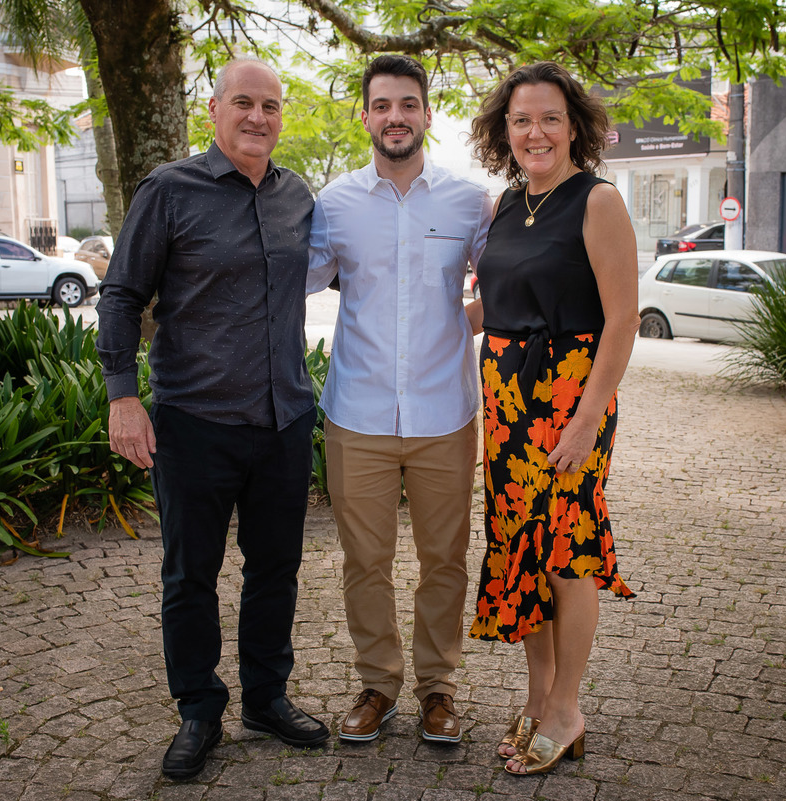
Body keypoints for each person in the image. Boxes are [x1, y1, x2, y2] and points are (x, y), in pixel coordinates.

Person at [95, 57, 328, 781]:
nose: (258, 117)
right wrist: (123, 396)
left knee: (276, 569)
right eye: (244, 103)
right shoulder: (169, 190)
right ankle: (198, 708)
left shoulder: (298, 196)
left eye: (270, 106)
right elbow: (120, 295)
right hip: (195, 420)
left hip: (284, 418)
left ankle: (266, 698)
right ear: (214, 109)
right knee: (190, 574)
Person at [307, 54, 493, 744]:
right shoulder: (333, 203)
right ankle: (378, 685)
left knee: (445, 558)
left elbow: (505, 280)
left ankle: (438, 688)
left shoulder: (469, 200)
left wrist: (460, 325)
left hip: (446, 412)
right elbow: (295, 278)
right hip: (358, 412)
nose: (395, 117)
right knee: (366, 560)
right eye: (382, 105)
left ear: (427, 114)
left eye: (408, 104)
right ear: (365, 116)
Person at [464, 62, 639, 776]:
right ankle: (538, 698)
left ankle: (567, 707)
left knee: (567, 550)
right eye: (521, 120)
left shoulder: (597, 201)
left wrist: (587, 420)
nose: (535, 132)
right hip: (505, 404)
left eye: (549, 119)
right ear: (503, 130)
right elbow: (498, 304)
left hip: (570, 399)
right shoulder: (508, 204)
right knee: (519, 548)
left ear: (574, 128)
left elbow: (623, 319)